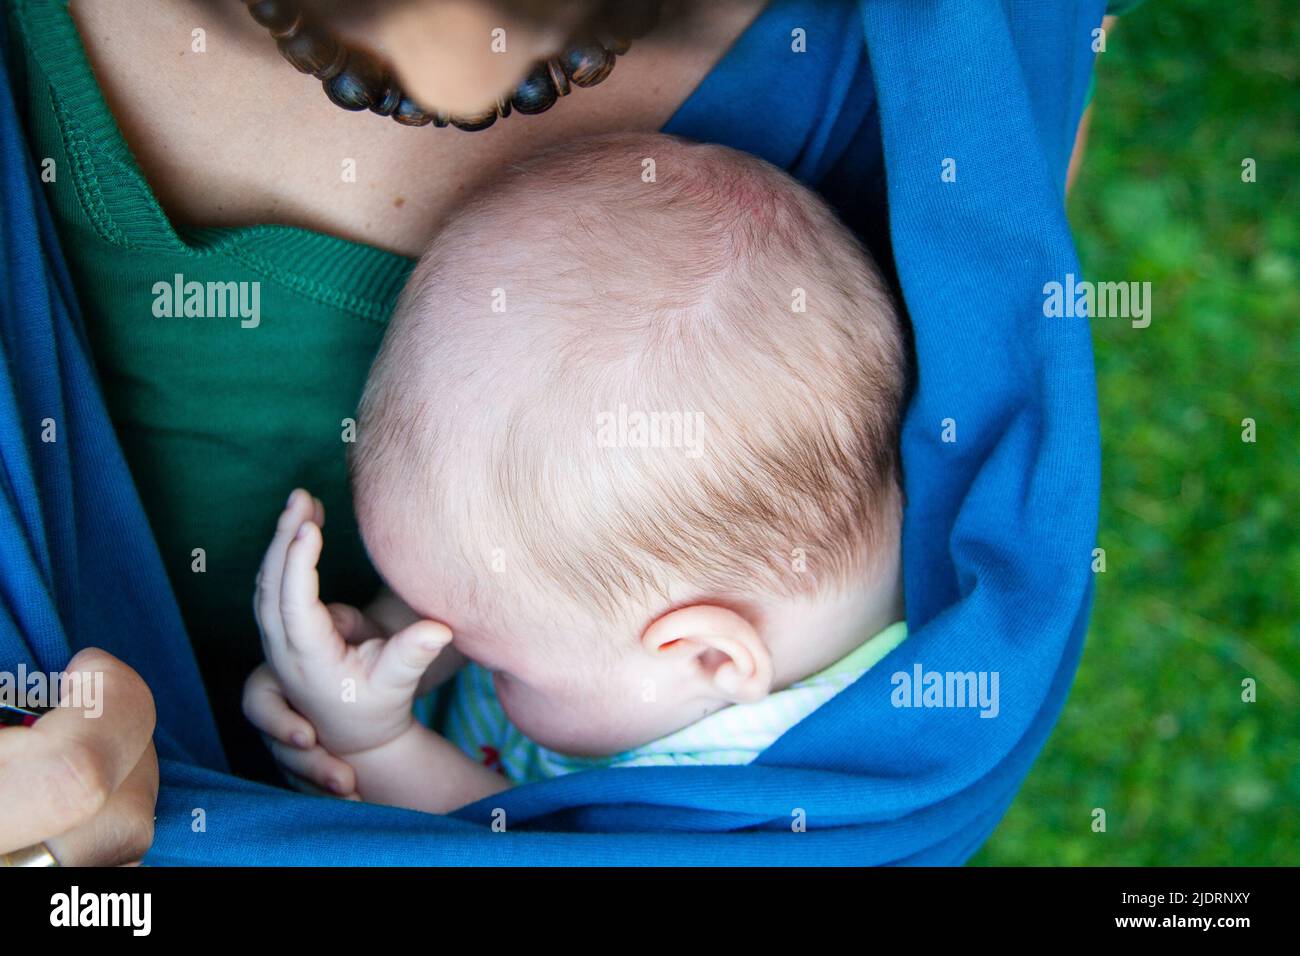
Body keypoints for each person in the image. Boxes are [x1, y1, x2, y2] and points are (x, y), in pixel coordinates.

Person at [1, 0, 1111, 866]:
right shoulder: (724, 612)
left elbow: (498, 837)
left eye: (477, 645)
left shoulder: (752, 769)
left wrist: (378, 738)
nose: (418, 636)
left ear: (706, 657)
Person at [246, 132, 909, 809]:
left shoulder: (766, 787)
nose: (445, 645)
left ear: (707, 659)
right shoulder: (639, 639)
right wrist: (373, 658)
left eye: (494, 662)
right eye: (430, 616)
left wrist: (376, 749)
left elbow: (544, 851)